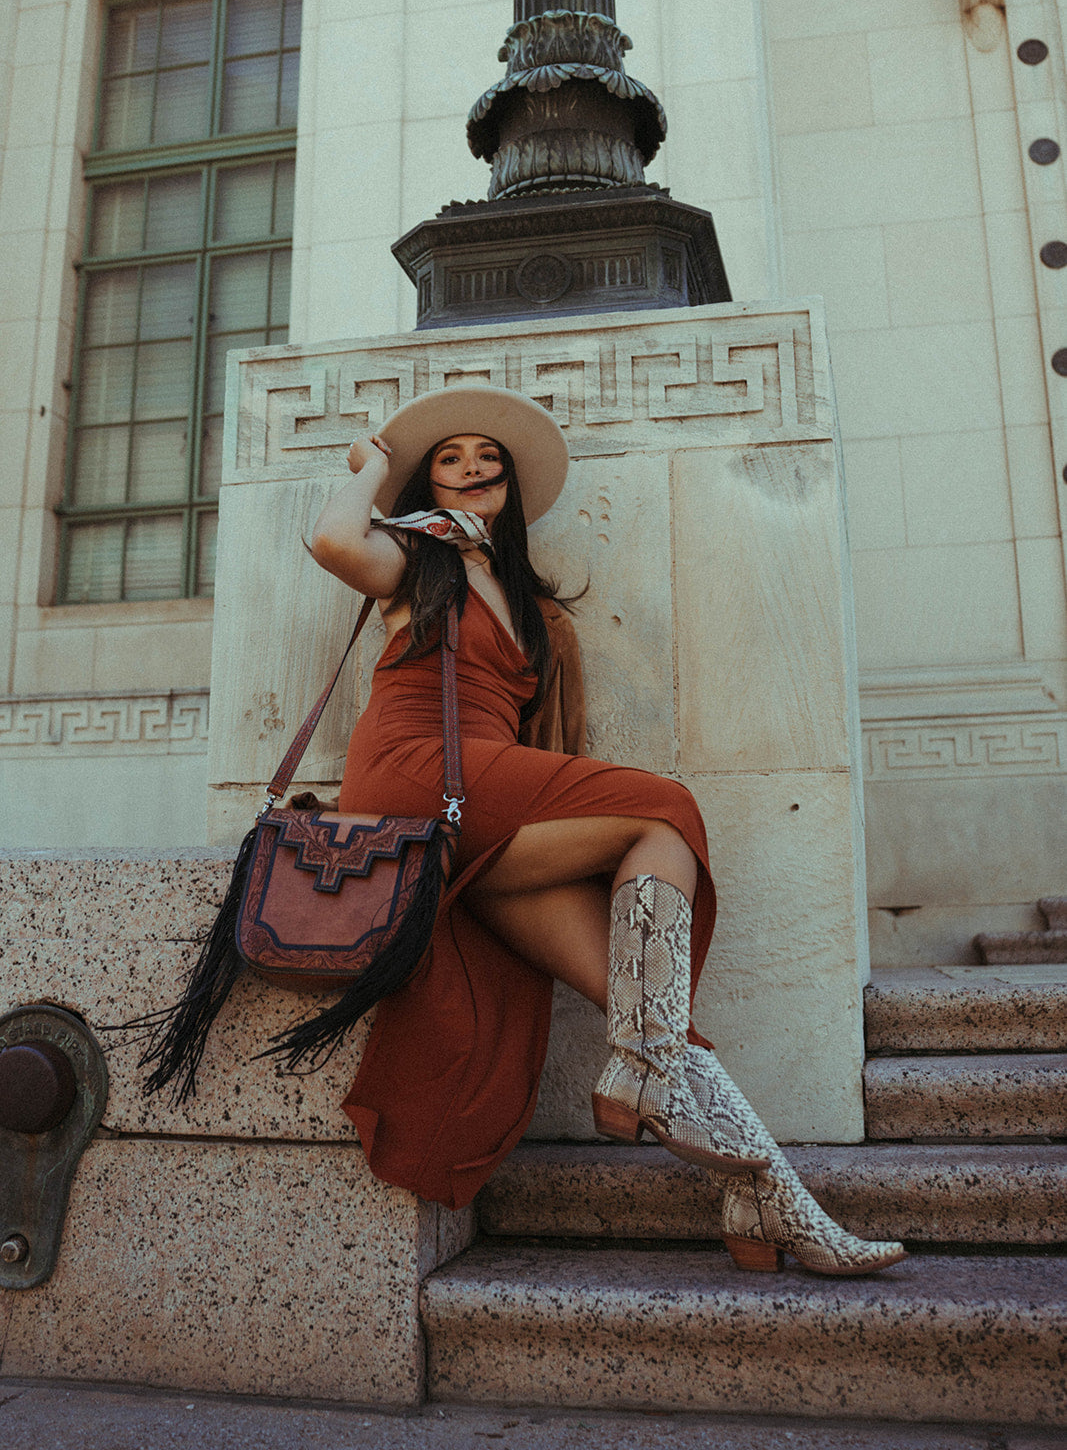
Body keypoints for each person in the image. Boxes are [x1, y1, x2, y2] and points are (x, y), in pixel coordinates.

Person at [311, 384, 906, 1276]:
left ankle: (773, 1203)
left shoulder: (525, 598)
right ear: (426, 482)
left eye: (488, 459)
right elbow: (330, 541)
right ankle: (642, 1071)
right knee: (664, 810)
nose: (472, 469)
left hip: (482, 807)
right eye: (450, 459)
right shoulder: (415, 554)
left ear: (509, 484)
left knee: (640, 1000)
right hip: (413, 773)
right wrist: (372, 467)